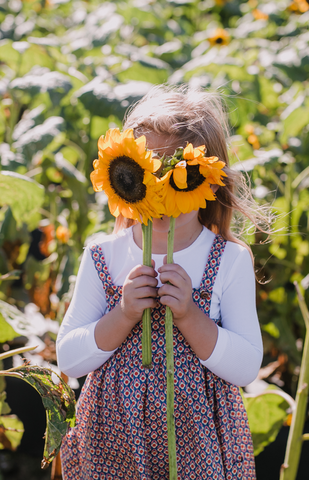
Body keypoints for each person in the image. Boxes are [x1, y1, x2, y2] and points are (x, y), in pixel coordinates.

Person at [56, 85, 271, 480]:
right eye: (145, 178)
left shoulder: (228, 260)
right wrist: (121, 315)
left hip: (199, 440)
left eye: (179, 179)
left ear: (208, 180)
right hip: (113, 437)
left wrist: (191, 316)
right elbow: (69, 358)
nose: (158, 196)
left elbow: (246, 367)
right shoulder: (104, 256)